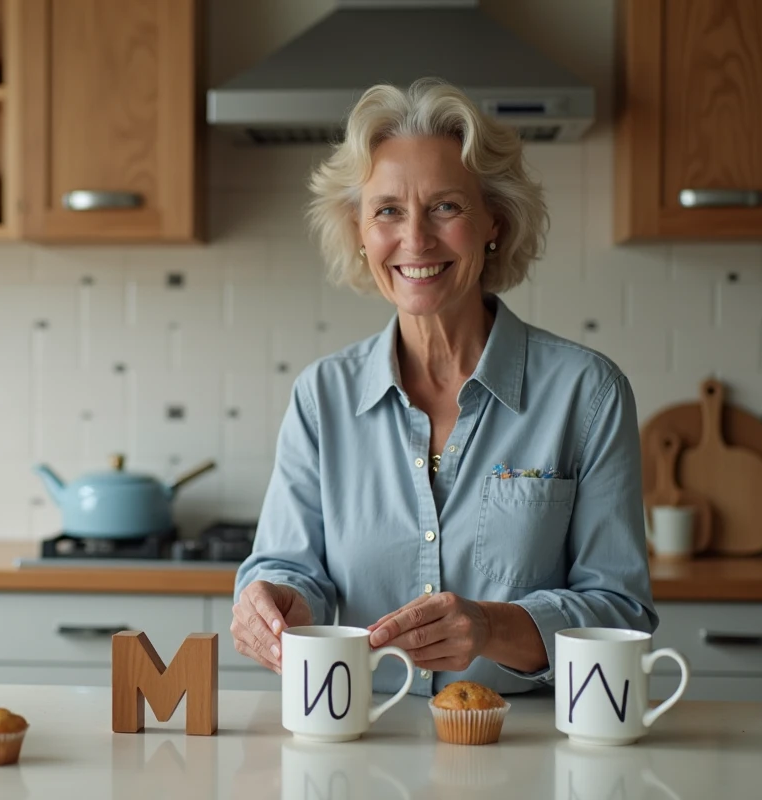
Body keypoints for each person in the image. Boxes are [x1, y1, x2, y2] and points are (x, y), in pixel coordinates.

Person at [231, 78, 657, 697]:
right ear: (359, 229)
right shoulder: (321, 397)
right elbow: (290, 568)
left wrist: (492, 626)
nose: (415, 239)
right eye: (388, 211)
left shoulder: (588, 395)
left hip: (525, 756)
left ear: (495, 222)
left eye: (446, 207)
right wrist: (276, 602)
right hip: (358, 746)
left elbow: (621, 612)